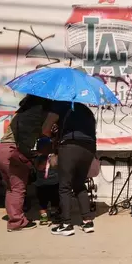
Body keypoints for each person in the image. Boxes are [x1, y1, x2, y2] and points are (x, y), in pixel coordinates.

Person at [0, 95, 52, 232]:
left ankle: (15, 218)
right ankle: (17, 222)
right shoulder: (36, 113)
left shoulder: (21, 112)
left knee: (11, 188)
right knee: (18, 189)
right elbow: (39, 134)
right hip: (13, 152)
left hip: (1, 150)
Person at [41, 100, 97, 236]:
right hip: (89, 148)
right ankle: (87, 221)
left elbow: (45, 130)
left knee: (65, 186)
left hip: (70, 146)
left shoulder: (60, 106)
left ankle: (66, 224)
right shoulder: (86, 109)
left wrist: (53, 133)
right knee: (79, 184)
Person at [33, 141, 60, 226]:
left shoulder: (53, 157)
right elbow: (39, 168)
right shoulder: (39, 158)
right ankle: (45, 216)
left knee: (53, 201)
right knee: (43, 202)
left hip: (52, 184)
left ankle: (52, 213)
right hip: (44, 184)